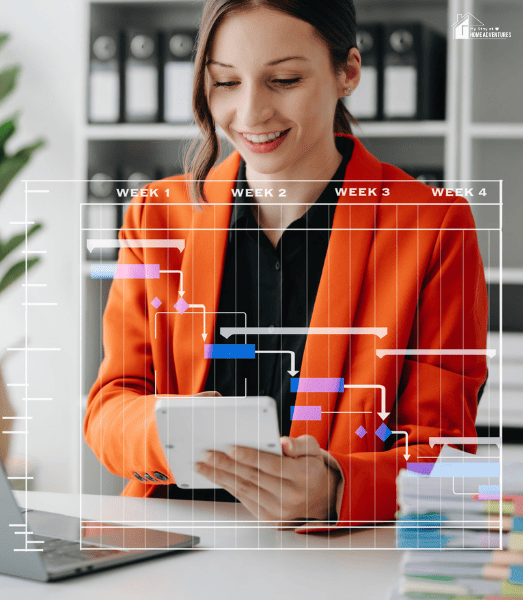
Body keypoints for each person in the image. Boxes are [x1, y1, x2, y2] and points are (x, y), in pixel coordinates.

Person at [85, 0, 488, 528]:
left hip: (333, 563)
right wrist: (164, 429)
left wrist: (340, 489)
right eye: (226, 82)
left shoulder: (433, 226)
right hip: (173, 550)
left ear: (348, 73)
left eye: (285, 80)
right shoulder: (157, 214)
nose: (251, 114)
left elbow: (446, 456)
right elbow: (110, 406)